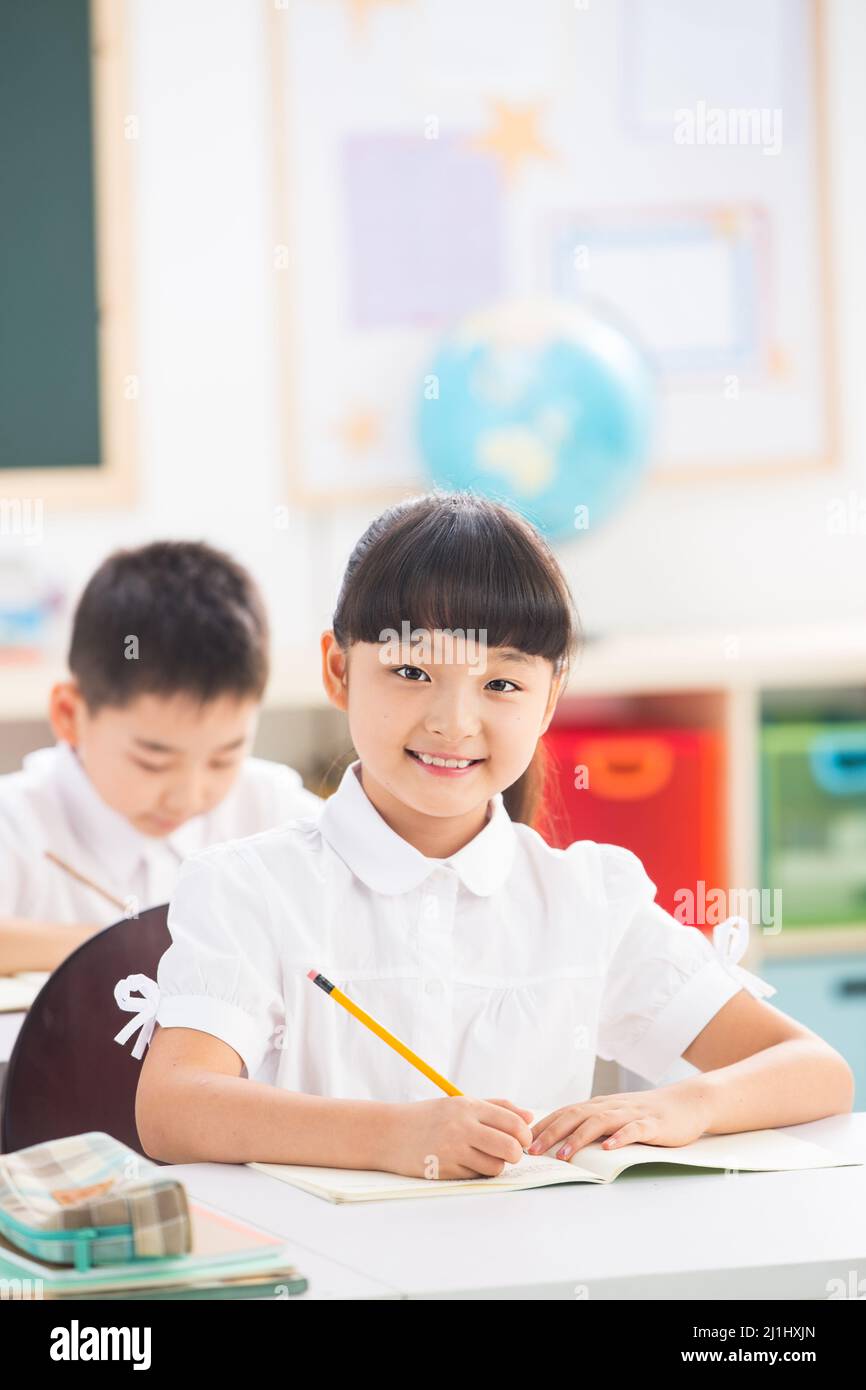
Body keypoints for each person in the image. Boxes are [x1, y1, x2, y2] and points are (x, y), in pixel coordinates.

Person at [131, 492, 853, 1177]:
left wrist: (681, 1105)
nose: (454, 721)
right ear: (339, 670)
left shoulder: (586, 899)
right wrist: (397, 1138)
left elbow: (815, 1069)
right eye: (411, 670)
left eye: (501, 685)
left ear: (550, 699)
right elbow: (173, 1107)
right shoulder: (250, 887)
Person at [0, 539, 321, 974]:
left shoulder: (273, 811)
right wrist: (139, 943)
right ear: (69, 714)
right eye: (153, 762)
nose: (188, 797)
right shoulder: (18, 824)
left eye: (224, 758)